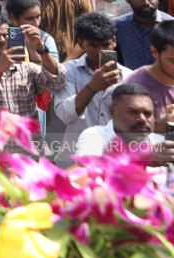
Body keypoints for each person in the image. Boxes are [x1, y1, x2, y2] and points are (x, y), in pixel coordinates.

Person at [0, 12, 64, 148]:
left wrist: (41, 49)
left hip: (24, 152)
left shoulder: (27, 69)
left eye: (6, 35)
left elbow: (58, 82)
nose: (2, 40)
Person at [52, 12, 123, 163]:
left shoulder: (128, 76)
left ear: (114, 42)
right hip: (73, 160)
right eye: (93, 45)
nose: (99, 51)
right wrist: (92, 87)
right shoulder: (67, 71)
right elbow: (65, 114)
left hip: (114, 162)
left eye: (105, 45)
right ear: (82, 44)